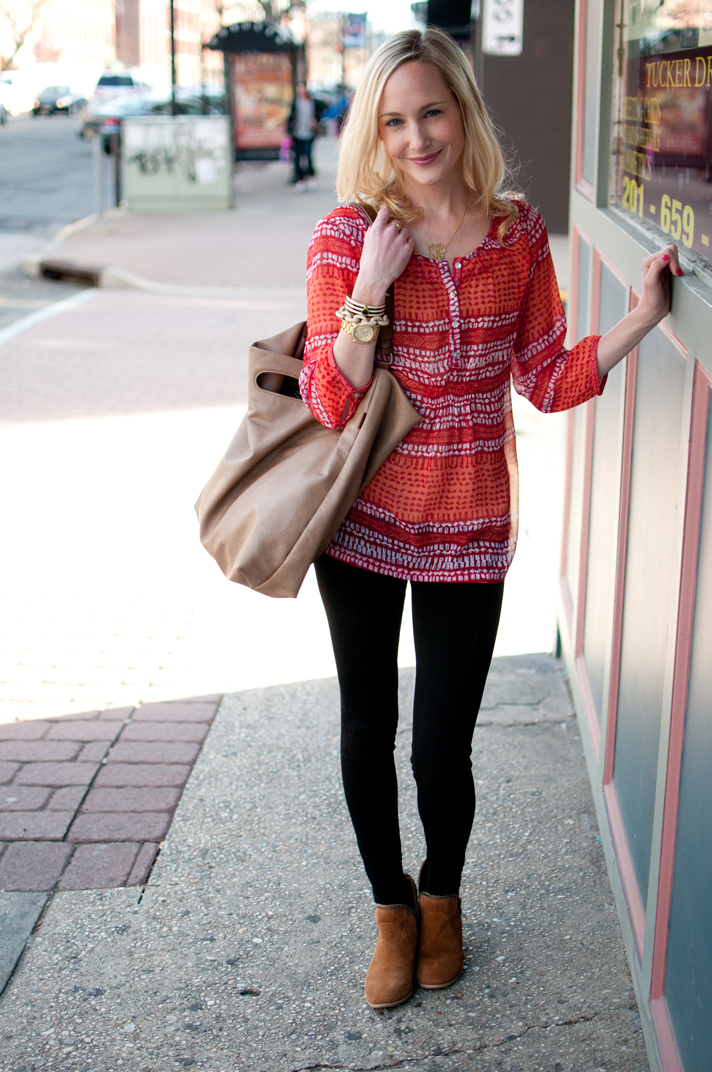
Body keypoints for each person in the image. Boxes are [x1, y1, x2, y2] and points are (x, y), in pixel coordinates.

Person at [298, 27, 681, 1011]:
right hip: (365, 527)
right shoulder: (350, 236)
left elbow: (548, 378)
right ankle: (389, 911)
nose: (415, 136)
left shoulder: (514, 235)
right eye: (392, 121)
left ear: (461, 109)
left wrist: (639, 317)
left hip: (470, 523)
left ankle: (441, 899)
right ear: (372, 135)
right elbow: (329, 402)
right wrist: (371, 293)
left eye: (430, 111)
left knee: (439, 747)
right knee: (367, 724)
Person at [288, 81, 317, 190]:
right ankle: (299, 179)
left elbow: (319, 113)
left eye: (302, 88)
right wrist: (290, 130)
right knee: (297, 158)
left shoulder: (312, 102)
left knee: (308, 157)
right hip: (297, 134)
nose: (300, 91)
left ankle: (309, 177)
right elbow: (290, 117)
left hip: (309, 134)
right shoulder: (295, 102)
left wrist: (315, 121)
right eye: (298, 88)